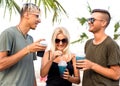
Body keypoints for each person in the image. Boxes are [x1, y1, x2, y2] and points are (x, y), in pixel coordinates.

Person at [0, 3, 47, 86]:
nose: (39, 20)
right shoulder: (8, 34)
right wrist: (27, 49)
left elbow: (30, 68)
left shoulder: (30, 39)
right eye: (37, 16)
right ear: (26, 14)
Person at [76, 9, 120, 86]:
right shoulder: (88, 43)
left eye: (92, 20)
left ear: (103, 23)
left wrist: (92, 65)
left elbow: (116, 75)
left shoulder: (111, 44)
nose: (89, 22)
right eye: (89, 19)